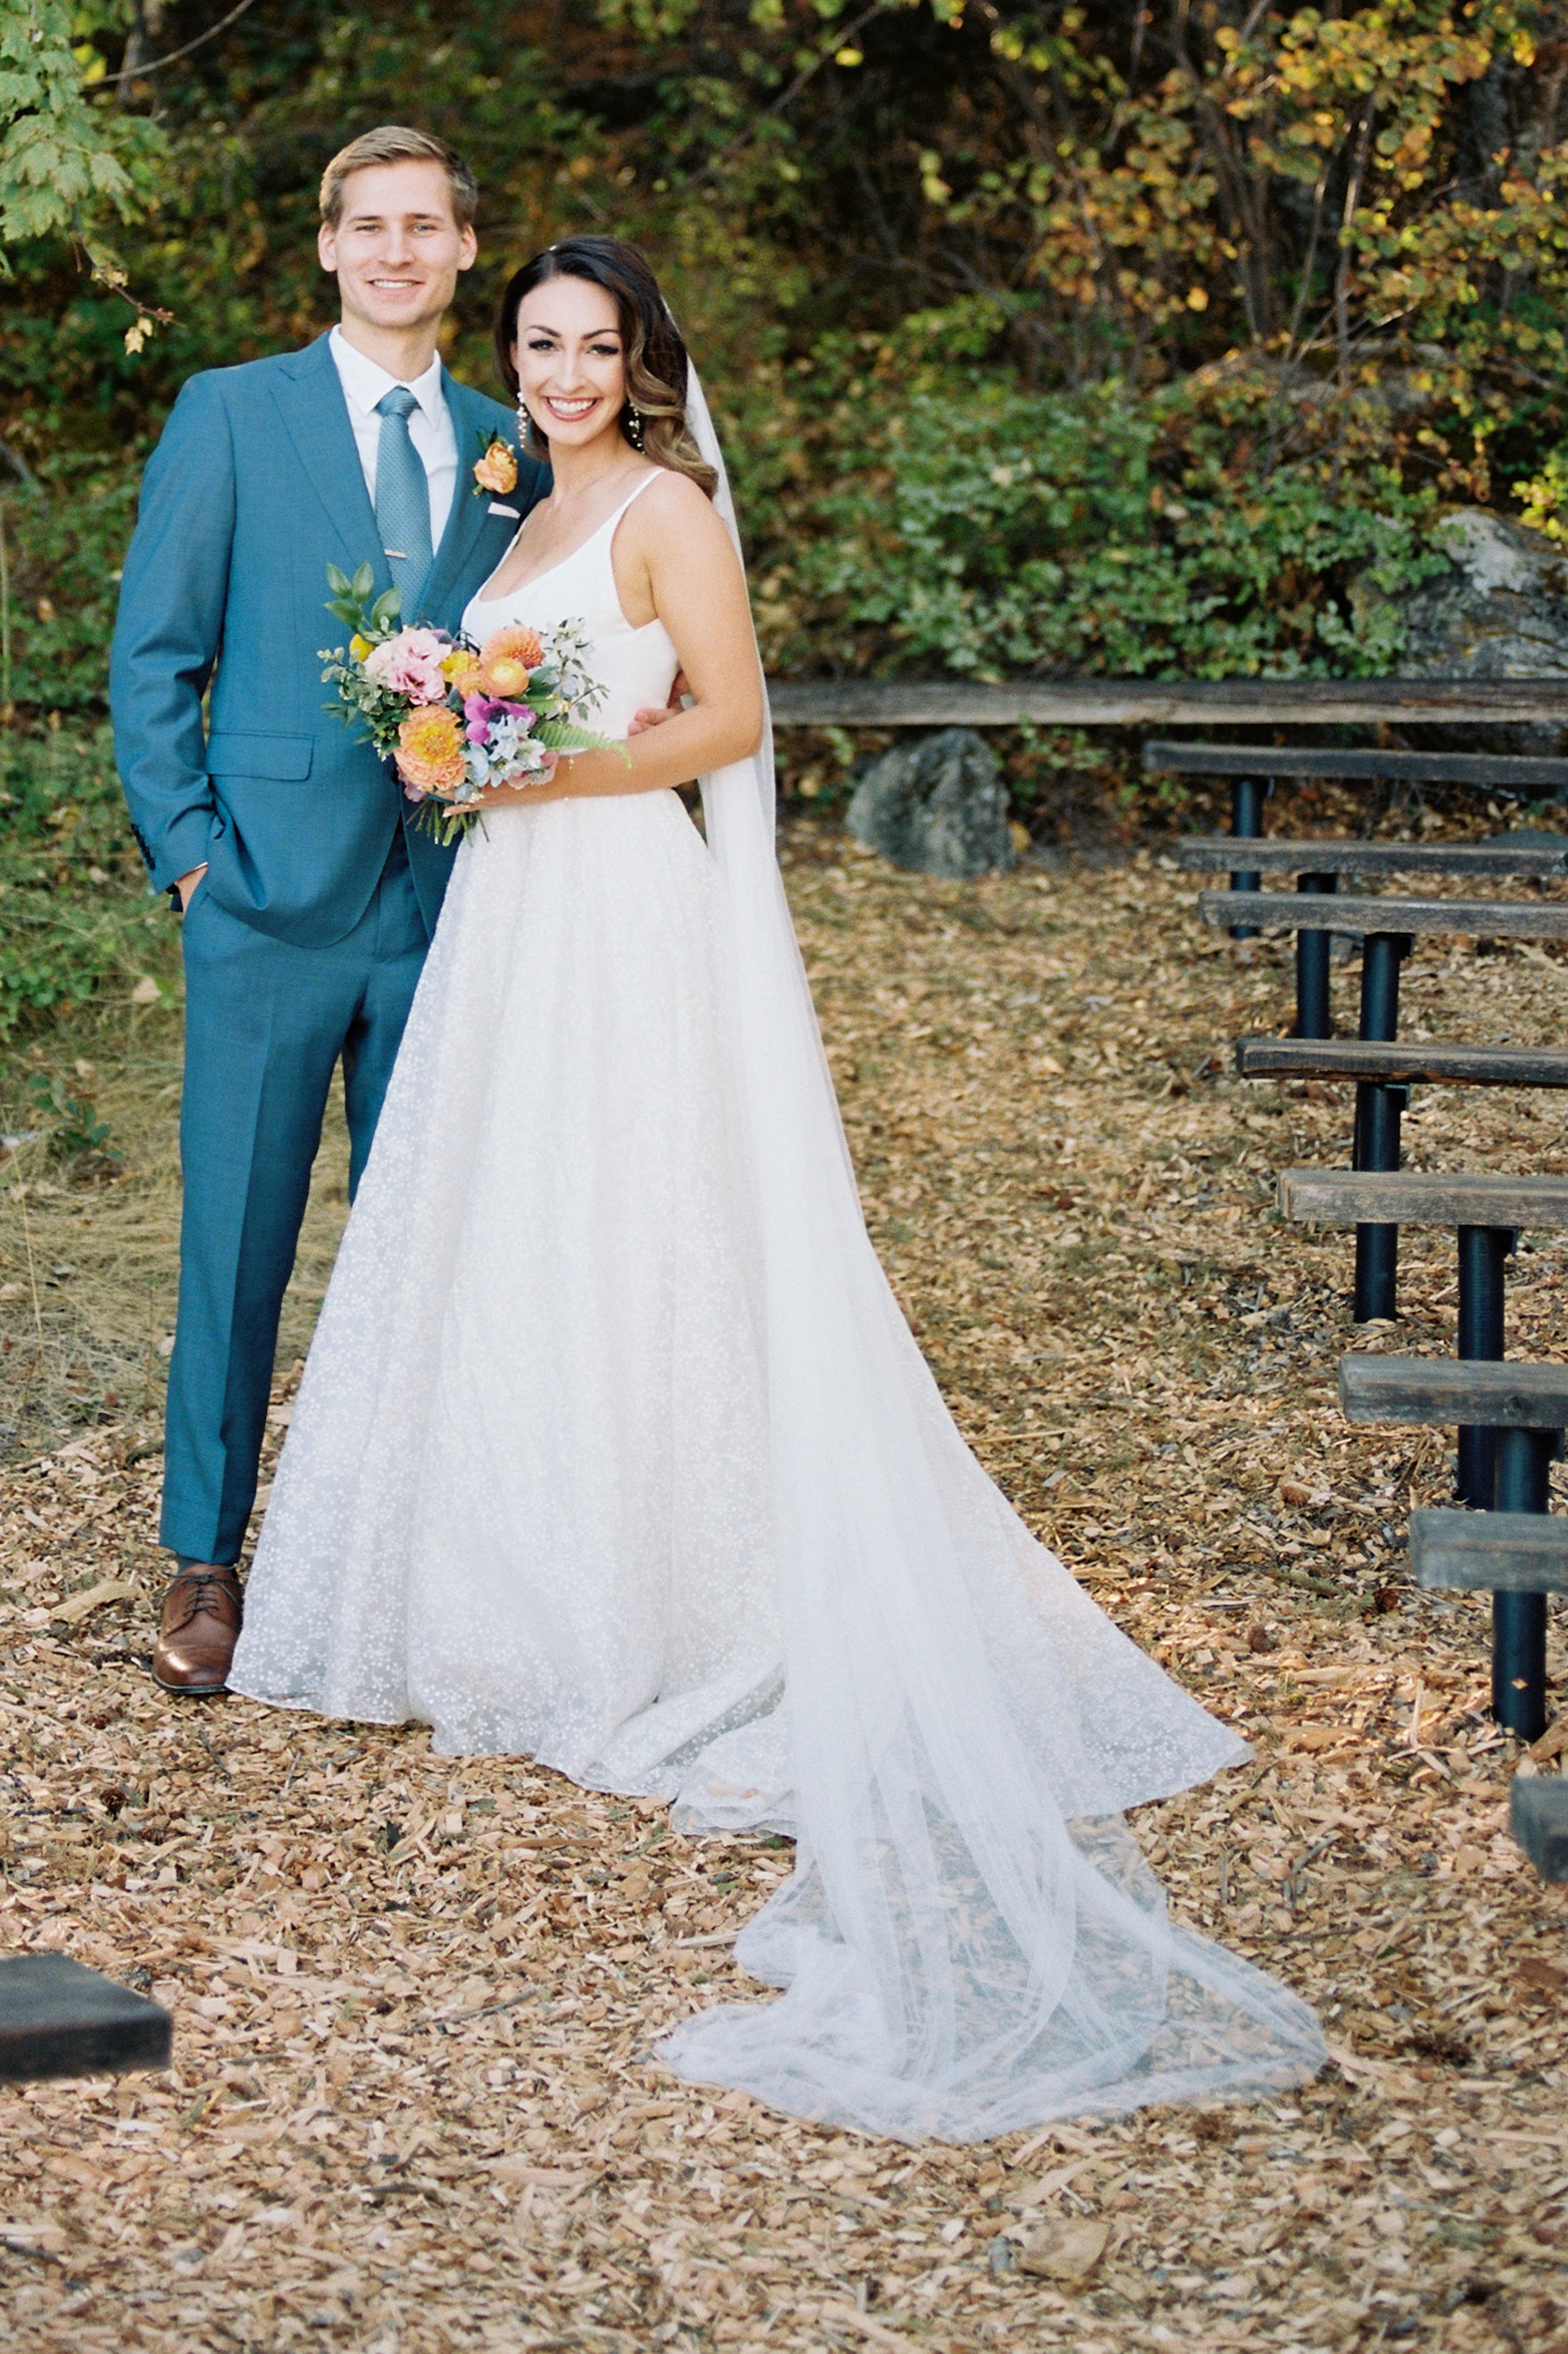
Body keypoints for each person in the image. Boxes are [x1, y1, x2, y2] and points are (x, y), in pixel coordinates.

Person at [229, 236, 1325, 2141]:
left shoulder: (665, 508)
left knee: (637, 1236)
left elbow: (729, 725)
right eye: (537, 344)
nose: (562, 372)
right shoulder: (513, 498)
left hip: (616, 908)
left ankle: (654, 1610)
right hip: (508, 921)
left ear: (641, 359)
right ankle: (491, 1588)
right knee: (504, 1242)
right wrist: (446, 723)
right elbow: (491, 697)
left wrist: (524, 758)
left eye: (592, 346)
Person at [108, 125, 549, 1697]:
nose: (395, 252)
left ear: (464, 252)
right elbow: (154, 655)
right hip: (267, 904)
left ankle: (394, 1563)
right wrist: (190, 858)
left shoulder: (517, 444)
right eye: (369, 226)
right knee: (235, 1242)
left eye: (424, 226)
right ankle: (207, 1566)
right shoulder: (230, 414)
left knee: (428, 1245)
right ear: (326, 247)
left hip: (452, 906)